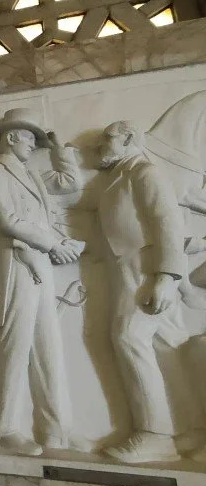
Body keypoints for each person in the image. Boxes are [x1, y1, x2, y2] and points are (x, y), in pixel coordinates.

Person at [0, 108, 83, 456]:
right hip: (18, 263)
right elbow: (7, 219)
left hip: (40, 262)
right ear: (11, 137)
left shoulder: (32, 174)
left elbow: (71, 184)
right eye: (29, 138)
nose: (33, 145)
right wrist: (54, 244)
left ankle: (56, 430)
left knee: (47, 347)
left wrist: (60, 150)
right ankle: (3, 428)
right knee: (16, 345)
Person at [96, 121, 189, 463]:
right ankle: (190, 429)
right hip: (130, 266)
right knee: (166, 345)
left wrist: (166, 276)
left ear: (128, 139)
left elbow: (167, 222)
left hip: (146, 266)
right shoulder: (122, 175)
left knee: (128, 337)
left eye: (107, 139)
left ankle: (155, 434)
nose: (101, 146)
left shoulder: (146, 172)